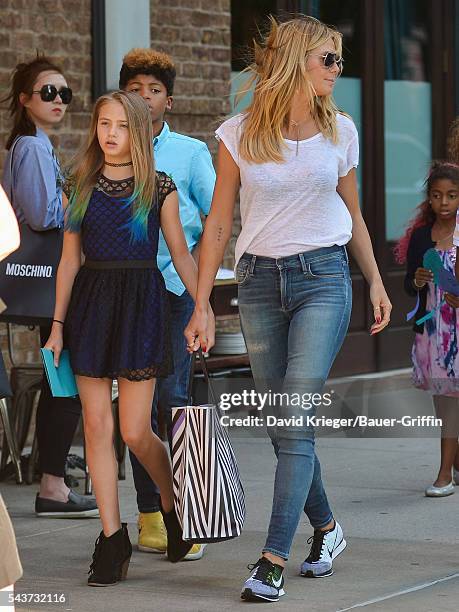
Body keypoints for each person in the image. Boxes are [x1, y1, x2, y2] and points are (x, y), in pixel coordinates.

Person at [185, 15, 391, 603]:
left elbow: (354, 215)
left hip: (324, 279)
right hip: (257, 283)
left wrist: (376, 280)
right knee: (286, 425)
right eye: (329, 58)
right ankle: (327, 529)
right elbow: (220, 222)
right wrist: (201, 302)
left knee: (294, 418)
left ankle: (273, 556)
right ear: (297, 58)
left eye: (339, 60)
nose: (337, 69)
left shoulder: (341, 131)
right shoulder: (238, 133)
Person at [44, 90, 213, 586]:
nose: (110, 133)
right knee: (97, 427)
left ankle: (171, 501)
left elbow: (181, 254)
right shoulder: (80, 183)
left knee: (136, 430)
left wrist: (201, 306)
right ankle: (112, 538)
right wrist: (57, 327)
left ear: (137, 131)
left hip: (143, 303)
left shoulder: (159, 187)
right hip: (91, 307)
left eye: (120, 125)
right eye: (102, 123)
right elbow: (68, 261)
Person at [119, 48, 215, 560]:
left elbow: (216, 221)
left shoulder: (190, 153)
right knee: (133, 410)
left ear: (168, 101)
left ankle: (187, 512)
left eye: (153, 90)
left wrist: (202, 294)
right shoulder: (109, 149)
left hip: (176, 293)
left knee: (172, 402)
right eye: (134, 89)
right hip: (126, 297)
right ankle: (150, 514)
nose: (144, 98)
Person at [1, 56, 98, 518]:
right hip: (48, 279)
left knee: (59, 375)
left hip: (43, 282)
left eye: (65, 93)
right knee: (64, 377)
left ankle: (52, 481)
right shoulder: (33, 149)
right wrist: (73, 201)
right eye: (48, 92)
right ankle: (53, 486)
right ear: (25, 99)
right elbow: (43, 216)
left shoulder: (34, 145)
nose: (58, 100)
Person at [396, 161, 459, 496]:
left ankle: (444, 474)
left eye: (451, 195)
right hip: (432, 332)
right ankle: (454, 461)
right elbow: (409, 285)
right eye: (437, 195)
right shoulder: (422, 236)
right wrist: (417, 280)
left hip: (457, 330)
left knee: (451, 398)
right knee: (443, 399)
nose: (444, 202)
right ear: (429, 199)